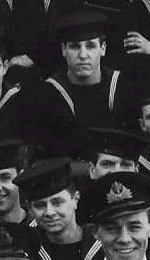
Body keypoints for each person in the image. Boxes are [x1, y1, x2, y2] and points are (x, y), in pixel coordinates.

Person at [23, 10, 130, 158]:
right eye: (75, 46)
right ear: (63, 50)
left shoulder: (121, 87)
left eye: (90, 46)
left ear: (103, 49)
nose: (83, 55)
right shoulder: (49, 93)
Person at [16, 157, 91, 260]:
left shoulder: (99, 243)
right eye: (40, 205)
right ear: (30, 210)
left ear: (75, 199)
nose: (49, 212)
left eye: (57, 202)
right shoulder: (27, 250)